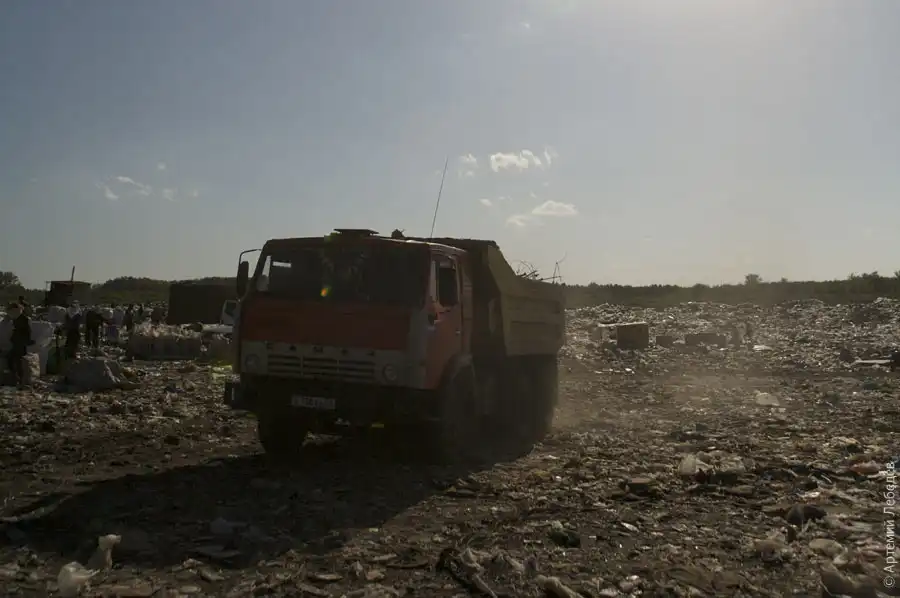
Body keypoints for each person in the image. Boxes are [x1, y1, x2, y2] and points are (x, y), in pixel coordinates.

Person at [6, 302, 33, 387]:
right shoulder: (17, 319)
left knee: (18, 361)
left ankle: (20, 380)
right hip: (18, 343)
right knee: (12, 359)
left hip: (20, 343)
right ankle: (17, 378)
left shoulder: (23, 319)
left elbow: (26, 332)